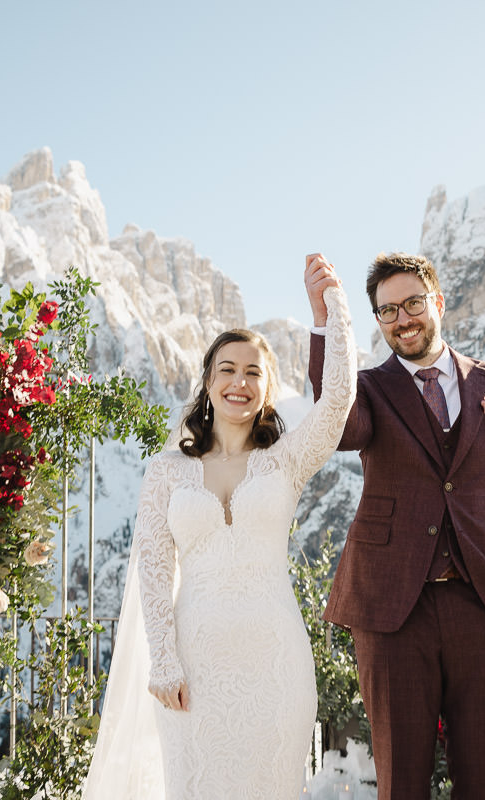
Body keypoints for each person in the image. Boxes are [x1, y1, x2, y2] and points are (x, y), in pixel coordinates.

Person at [83, 276, 356, 798]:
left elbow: (339, 400)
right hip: (194, 667)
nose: (240, 381)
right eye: (227, 369)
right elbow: (155, 569)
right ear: (207, 382)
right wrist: (163, 659)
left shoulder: (287, 461)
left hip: (277, 662)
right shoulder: (167, 471)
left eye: (254, 372)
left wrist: (329, 310)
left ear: (267, 389)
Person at [305, 252, 485, 799]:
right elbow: (335, 426)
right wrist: (322, 322)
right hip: (393, 613)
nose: (403, 318)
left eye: (413, 302)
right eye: (387, 310)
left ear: (437, 302)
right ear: (377, 320)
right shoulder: (367, 389)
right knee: (401, 783)